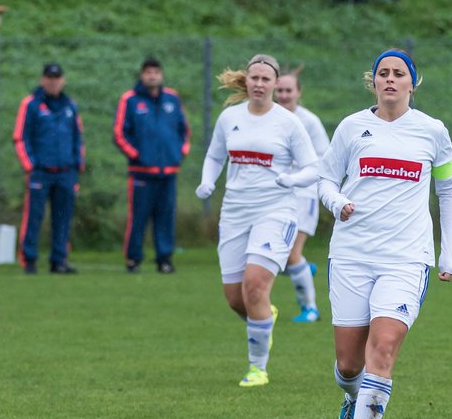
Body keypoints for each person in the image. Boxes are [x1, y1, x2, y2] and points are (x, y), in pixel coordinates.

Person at [317, 50, 452, 419]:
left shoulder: (432, 132)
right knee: (348, 364)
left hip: (406, 258)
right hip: (351, 256)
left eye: (400, 74)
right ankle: (351, 396)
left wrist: (447, 253)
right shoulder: (351, 127)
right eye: (384, 74)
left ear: (413, 83)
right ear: (373, 82)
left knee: (383, 346)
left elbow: (449, 190)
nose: (391, 80)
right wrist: (337, 201)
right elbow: (325, 178)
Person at [195, 54, 319, 387]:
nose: (260, 84)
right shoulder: (229, 118)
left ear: (276, 84)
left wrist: (292, 181)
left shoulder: (289, 122)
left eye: (266, 79)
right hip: (235, 213)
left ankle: (257, 368)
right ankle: (265, 312)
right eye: (254, 78)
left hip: (275, 211)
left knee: (254, 286)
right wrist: (208, 180)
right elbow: (215, 155)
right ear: (246, 81)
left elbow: (313, 167)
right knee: (237, 298)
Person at [114, 57, 191, 273]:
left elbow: (184, 130)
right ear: (142, 75)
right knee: (138, 217)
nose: (152, 76)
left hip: (168, 170)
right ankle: (133, 259)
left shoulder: (172, 99)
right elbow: (119, 133)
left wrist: (179, 152)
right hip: (141, 172)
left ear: (161, 75)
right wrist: (137, 155)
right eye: (148, 72)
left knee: (166, 217)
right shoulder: (130, 100)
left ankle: (164, 259)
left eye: (156, 72)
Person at [13, 62, 85, 274]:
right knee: (34, 217)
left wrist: (77, 166)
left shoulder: (70, 105)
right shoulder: (31, 104)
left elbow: (78, 138)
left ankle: (59, 260)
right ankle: (30, 260)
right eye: (49, 78)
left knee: (63, 218)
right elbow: (20, 137)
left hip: (65, 172)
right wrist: (30, 166)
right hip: (40, 172)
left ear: (63, 80)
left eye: (57, 78)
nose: (53, 82)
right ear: (42, 80)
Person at [273, 65, 332, 322]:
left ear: (298, 92)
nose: (284, 95)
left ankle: (311, 309)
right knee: (275, 256)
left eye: (288, 91)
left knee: (290, 254)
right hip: (275, 195)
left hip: (304, 194)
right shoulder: (270, 118)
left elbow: (325, 158)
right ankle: (304, 270)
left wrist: (299, 173)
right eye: (280, 91)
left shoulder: (309, 122)